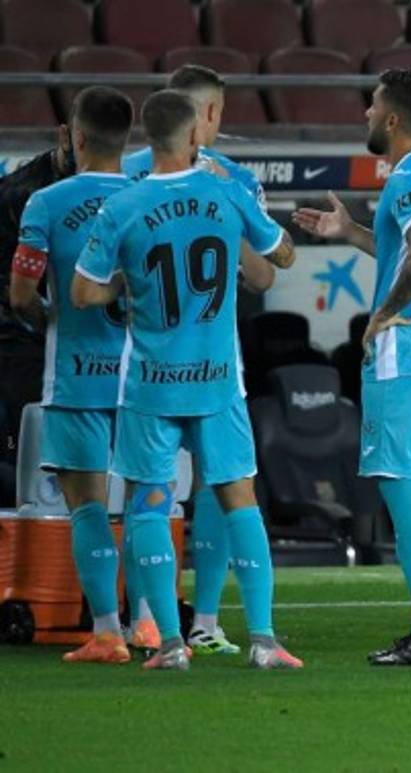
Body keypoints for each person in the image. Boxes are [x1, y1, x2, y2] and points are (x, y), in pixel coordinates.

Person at [72, 89, 300, 671]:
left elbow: (82, 292)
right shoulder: (226, 190)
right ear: (196, 134)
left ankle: (170, 644)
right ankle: (265, 641)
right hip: (219, 379)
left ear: (146, 141)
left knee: (149, 504)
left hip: (151, 383)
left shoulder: (121, 207)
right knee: (238, 500)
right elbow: (285, 257)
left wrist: (126, 281)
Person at [294, 70, 411, 667]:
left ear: (393, 119)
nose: (366, 114)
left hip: (408, 347)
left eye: (372, 106)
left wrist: (381, 317)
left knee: (401, 484)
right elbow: (407, 250)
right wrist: (350, 232)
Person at [121, 64, 276, 656]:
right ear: (207, 116)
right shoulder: (233, 181)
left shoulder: (127, 176)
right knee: (223, 486)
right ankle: (206, 620)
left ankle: (150, 621)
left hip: (143, 364)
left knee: (150, 493)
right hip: (214, 368)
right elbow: (263, 275)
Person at [8, 87, 133, 663]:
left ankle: (106, 630)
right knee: (146, 503)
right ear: (127, 140)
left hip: (77, 376)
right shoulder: (146, 198)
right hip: (143, 381)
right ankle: (155, 625)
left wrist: (47, 319)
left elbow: (21, 294)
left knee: (87, 506)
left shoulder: (46, 203)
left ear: (75, 137)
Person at [0, 123, 74, 489]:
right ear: (65, 137)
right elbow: (20, 294)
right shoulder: (26, 195)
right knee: (24, 448)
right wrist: (53, 324)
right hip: (17, 337)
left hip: (57, 340)